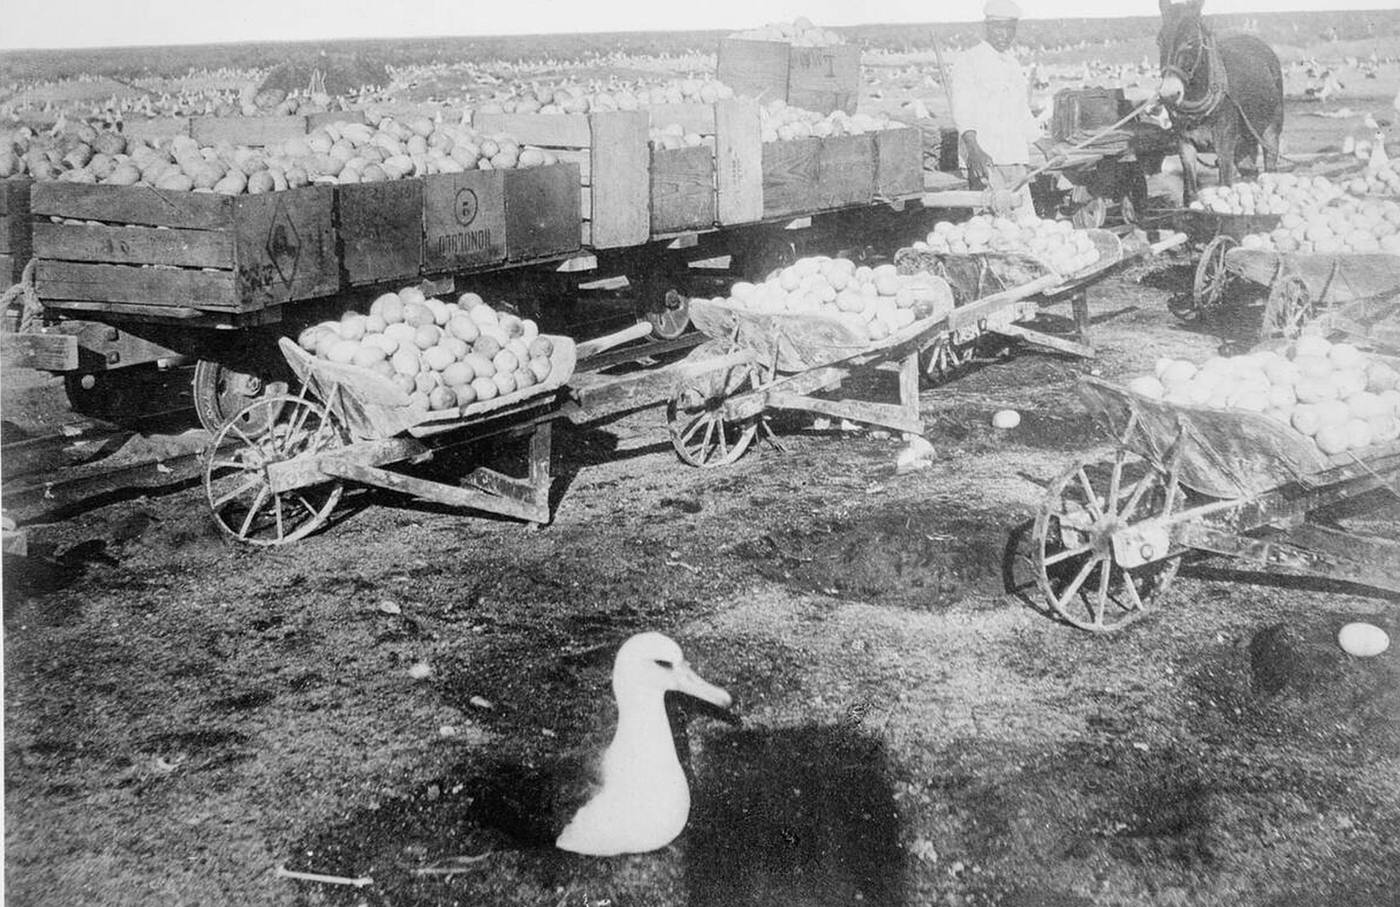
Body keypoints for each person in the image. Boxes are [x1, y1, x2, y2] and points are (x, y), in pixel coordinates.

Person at [949, 0, 1041, 194]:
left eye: (1010, 29)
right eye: (999, 28)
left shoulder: (1013, 65)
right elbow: (962, 112)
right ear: (987, 27)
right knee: (991, 223)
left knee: (1024, 223)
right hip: (986, 161)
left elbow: (1022, 113)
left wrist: (1045, 146)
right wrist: (974, 150)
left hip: (1016, 160)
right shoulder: (969, 61)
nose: (1005, 35)